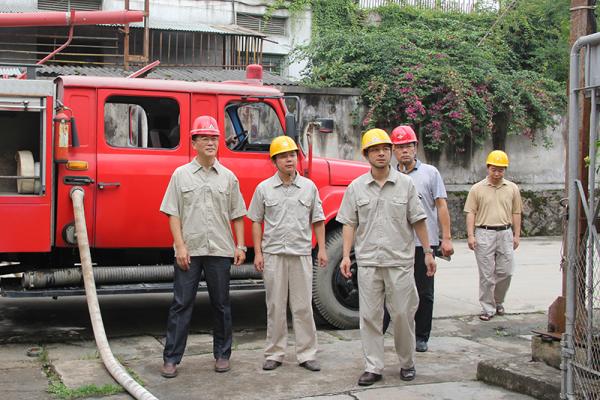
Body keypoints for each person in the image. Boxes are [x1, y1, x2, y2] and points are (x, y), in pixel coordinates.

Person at [336, 128, 436, 386]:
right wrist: (345, 256)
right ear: (366, 155)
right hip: (369, 262)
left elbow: (418, 220)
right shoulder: (356, 187)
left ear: (391, 152)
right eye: (375, 150)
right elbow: (348, 223)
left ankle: (407, 362)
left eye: (385, 149)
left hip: (399, 262)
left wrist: (427, 252)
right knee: (370, 317)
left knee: (403, 314)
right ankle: (373, 366)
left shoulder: (406, 185)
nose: (381, 153)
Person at [159, 115, 247, 378]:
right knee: (181, 304)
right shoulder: (181, 175)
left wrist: (241, 246)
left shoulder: (228, 177)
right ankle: (171, 359)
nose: (210, 143)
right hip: (190, 251)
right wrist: (180, 246)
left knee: (221, 305)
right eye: (205, 138)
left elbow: (238, 214)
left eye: (214, 138)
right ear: (194, 142)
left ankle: (222, 355)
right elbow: (173, 213)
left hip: (220, 250)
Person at [247, 135, 328, 372]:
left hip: (301, 254)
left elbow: (318, 220)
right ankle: (275, 353)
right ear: (274, 161)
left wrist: (322, 249)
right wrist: (258, 253)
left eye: (292, 155)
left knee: (303, 306)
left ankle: (307, 354)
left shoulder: (309, 187)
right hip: (273, 255)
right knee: (275, 306)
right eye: (283, 156)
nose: (289, 159)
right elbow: (255, 221)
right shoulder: (264, 189)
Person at [381, 125, 454, 353]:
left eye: (408, 146)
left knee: (424, 291)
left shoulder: (430, 173)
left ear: (416, 147)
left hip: (424, 244)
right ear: (393, 150)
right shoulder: (388, 175)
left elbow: (441, 206)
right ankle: (379, 332)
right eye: (400, 146)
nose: (404, 150)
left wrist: (446, 238)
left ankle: (421, 336)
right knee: (389, 289)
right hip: (395, 244)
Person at [464, 150, 522, 321]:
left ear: (505, 170)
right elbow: (470, 212)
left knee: (506, 271)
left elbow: (516, 212)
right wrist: (470, 235)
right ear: (488, 168)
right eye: (494, 169)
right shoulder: (477, 189)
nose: (497, 173)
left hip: (505, 232)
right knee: (486, 274)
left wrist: (517, 235)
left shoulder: (512, 188)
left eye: (501, 170)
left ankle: (498, 301)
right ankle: (488, 308)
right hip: (484, 232)